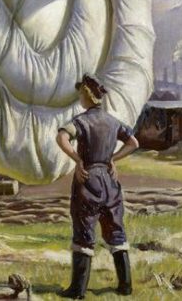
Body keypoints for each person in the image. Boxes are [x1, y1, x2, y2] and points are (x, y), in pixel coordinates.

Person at [56, 74, 139, 299]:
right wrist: (113, 158)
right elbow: (134, 143)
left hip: (88, 178)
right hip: (110, 181)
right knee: (115, 230)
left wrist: (77, 159)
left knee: (84, 231)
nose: (79, 98)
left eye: (80, 94)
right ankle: (125, 286)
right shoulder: (113, 122)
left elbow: (62, 137)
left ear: (86, 95)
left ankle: (77, 290)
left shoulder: (81, 121)